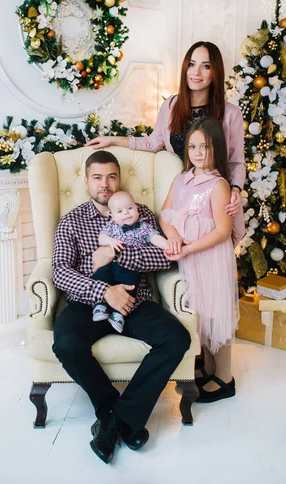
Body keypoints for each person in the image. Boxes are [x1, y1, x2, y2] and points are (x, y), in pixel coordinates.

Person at [52, 150, 190, 464]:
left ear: (119, 179)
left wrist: (117, 255)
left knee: (176, 339)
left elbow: (162, 257)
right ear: (86, 181)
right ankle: (111, 412)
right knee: (66, 343)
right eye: (98, 177)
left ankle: (121, 418)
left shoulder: (138, 213)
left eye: (112, 176)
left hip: (135, 301)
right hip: (88, 304)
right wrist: (104, 290)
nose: (106, 184)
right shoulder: (72, 221)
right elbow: (60, 270)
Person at [86, 41, 245, 244]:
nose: (196, 72)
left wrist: (235, 190)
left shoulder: (230, 113)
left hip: (214, 198)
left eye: (206, 66)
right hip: (183, 197)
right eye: (191, 64)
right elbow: (154, 142)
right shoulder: (171, 105)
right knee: (183, 256)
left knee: (213, 256)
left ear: (216, 71)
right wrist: (112, 139)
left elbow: (236, 162)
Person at [160, 117, 239, 403]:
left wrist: (189, 247)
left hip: (210, 257)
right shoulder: (181, 179)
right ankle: (208, 367)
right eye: (193, 146)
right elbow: (165, 213)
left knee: (218, 312)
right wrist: (173, 238)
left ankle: (225, 378)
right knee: (201, 312)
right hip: (188, 255)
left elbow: (222, 230)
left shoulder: (217, 185)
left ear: (216, 148)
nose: (198, 152)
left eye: (204, 146)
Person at [93, 190, 168, 333]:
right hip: (110, 265)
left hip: (130, 267)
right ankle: (100, 306)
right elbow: (101, 238)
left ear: (137, 209)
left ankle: (119, 314)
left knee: (131, 284)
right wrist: (110, 241)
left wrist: (168, 246)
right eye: (120, 211)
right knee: (101, 273)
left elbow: (155, 238)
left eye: (130, 208)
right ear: (112, 216)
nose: (126, 213)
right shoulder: (111, 226)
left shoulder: (144, 227)